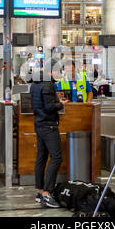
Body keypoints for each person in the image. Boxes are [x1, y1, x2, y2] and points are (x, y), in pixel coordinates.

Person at [30, 59, 65, 208]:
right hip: (49, 125)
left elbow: (38, 105)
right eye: (58, 71)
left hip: (39, 124)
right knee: (56, 157)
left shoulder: (34, 83)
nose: (59, 74)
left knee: (41, 158)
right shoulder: (48, 84)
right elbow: (50, 106)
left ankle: (39, 191)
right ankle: (47, 193)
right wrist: (61, 104)